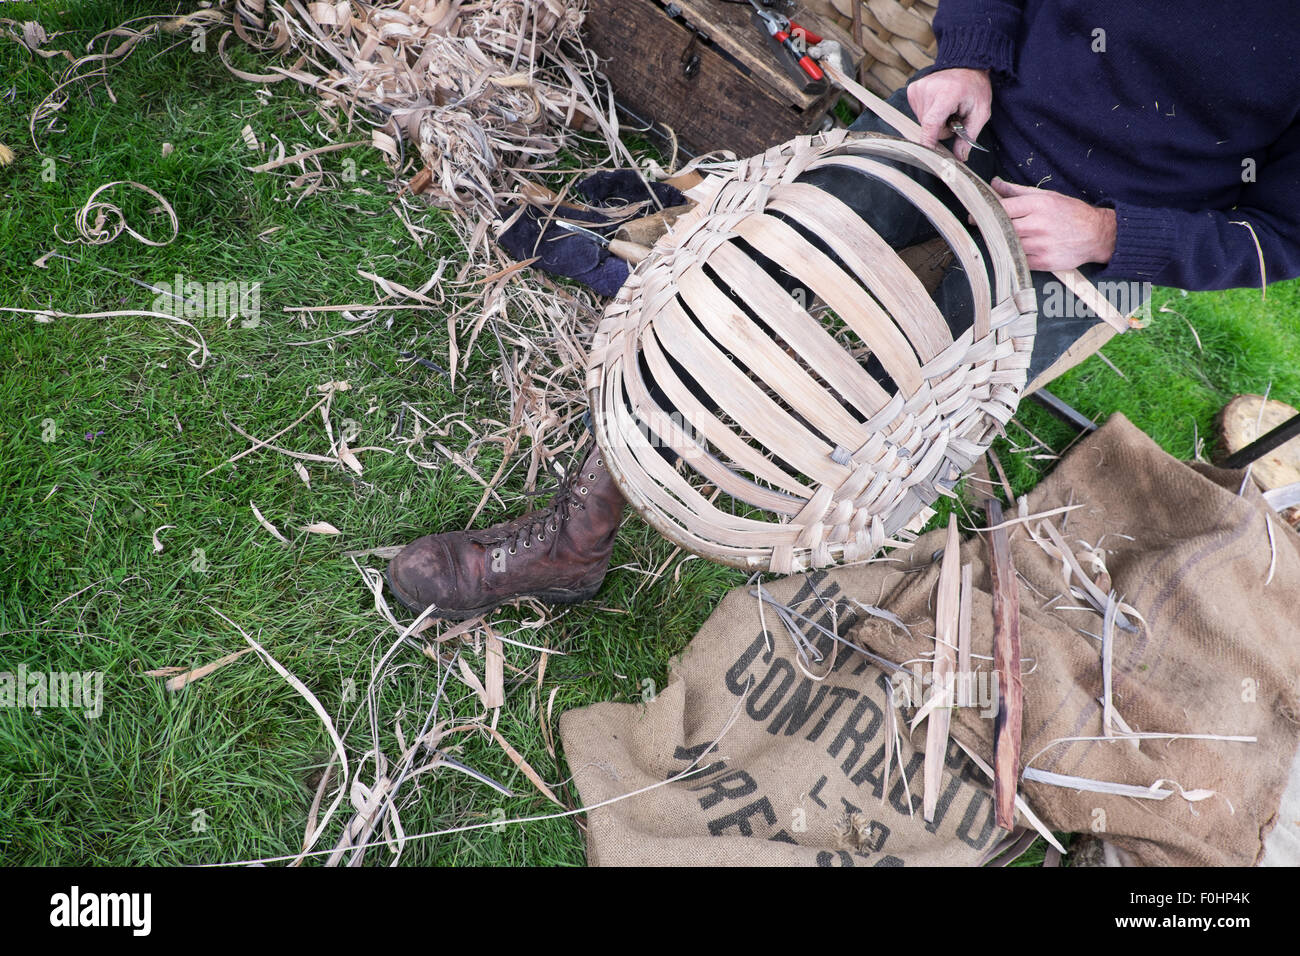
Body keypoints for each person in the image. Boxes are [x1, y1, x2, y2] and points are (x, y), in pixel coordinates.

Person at [385, 0, 1300, 620]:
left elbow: (1281, 233)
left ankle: (782, 519)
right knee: (741, 278)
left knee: (888, 404)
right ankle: (576, 540)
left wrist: (1109, 233)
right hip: (979, 117)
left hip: (1119, 236)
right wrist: (972, 57)